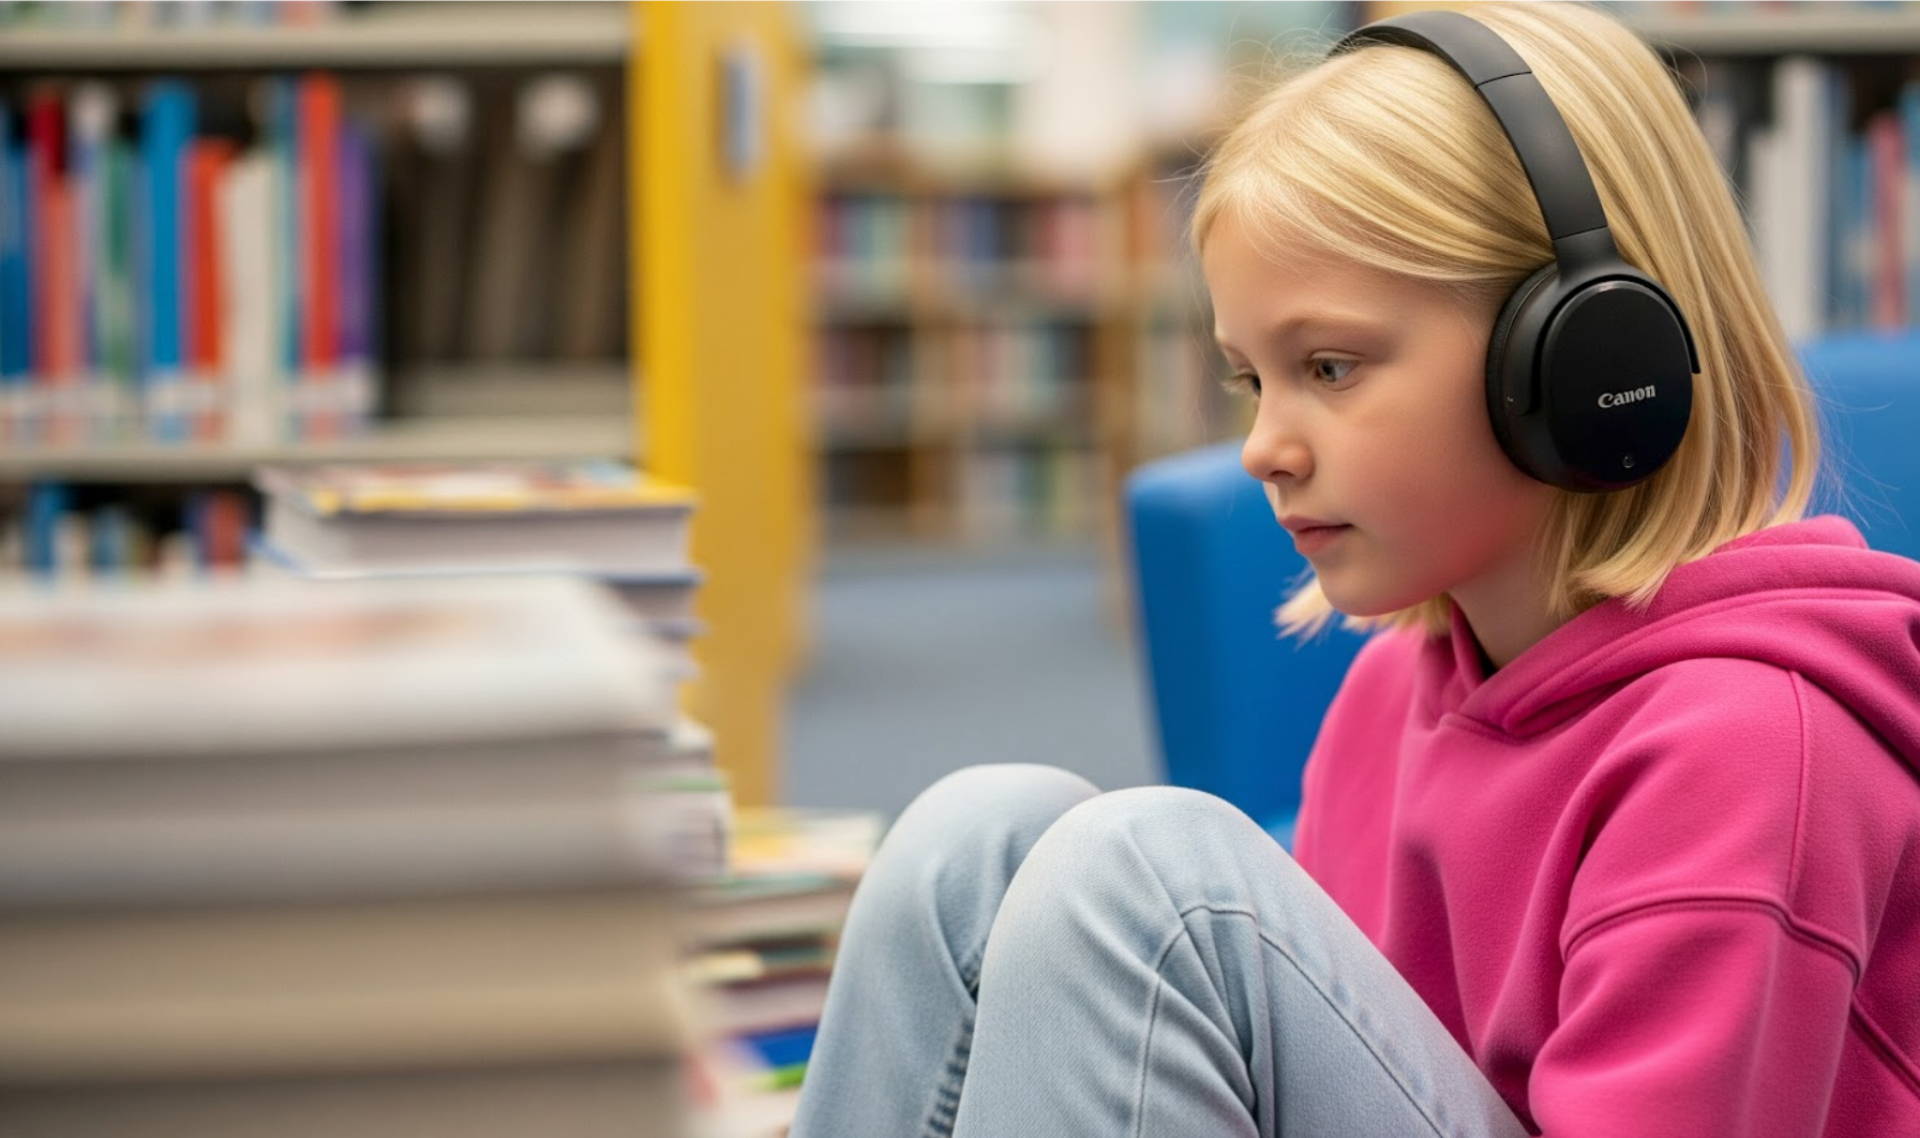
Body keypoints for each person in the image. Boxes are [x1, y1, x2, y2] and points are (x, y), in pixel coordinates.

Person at [787, 3, 1920, 1135]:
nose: (1263, 448)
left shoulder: (1749, 748)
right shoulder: (1395, 689)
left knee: (1145, 877)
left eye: (1329, 366)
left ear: (1586, 356)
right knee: (974, 841)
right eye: (1252, 379)